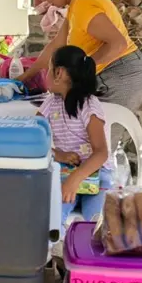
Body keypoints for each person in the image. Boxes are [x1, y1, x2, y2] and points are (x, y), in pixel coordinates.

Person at [17, 0, 142, 112]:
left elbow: (118, 43)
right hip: (121, 73)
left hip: (122, 74)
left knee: (95, 133)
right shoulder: (77, 2)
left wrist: (80, 72)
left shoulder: (83, 4)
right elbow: (56, 45)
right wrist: (24, 78)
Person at [39, 45, 111, 229]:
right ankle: (56, 256)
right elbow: (35, 137)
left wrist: (75, 179)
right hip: (65, 173)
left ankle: (88, 257)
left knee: (96, 225)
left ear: (59, 73)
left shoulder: (89, 106)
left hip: (97, 175)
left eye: (49, 68)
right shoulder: (51, 102)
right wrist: (58, 155)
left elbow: (101, 153)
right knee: (51, 218)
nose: (45, 74)